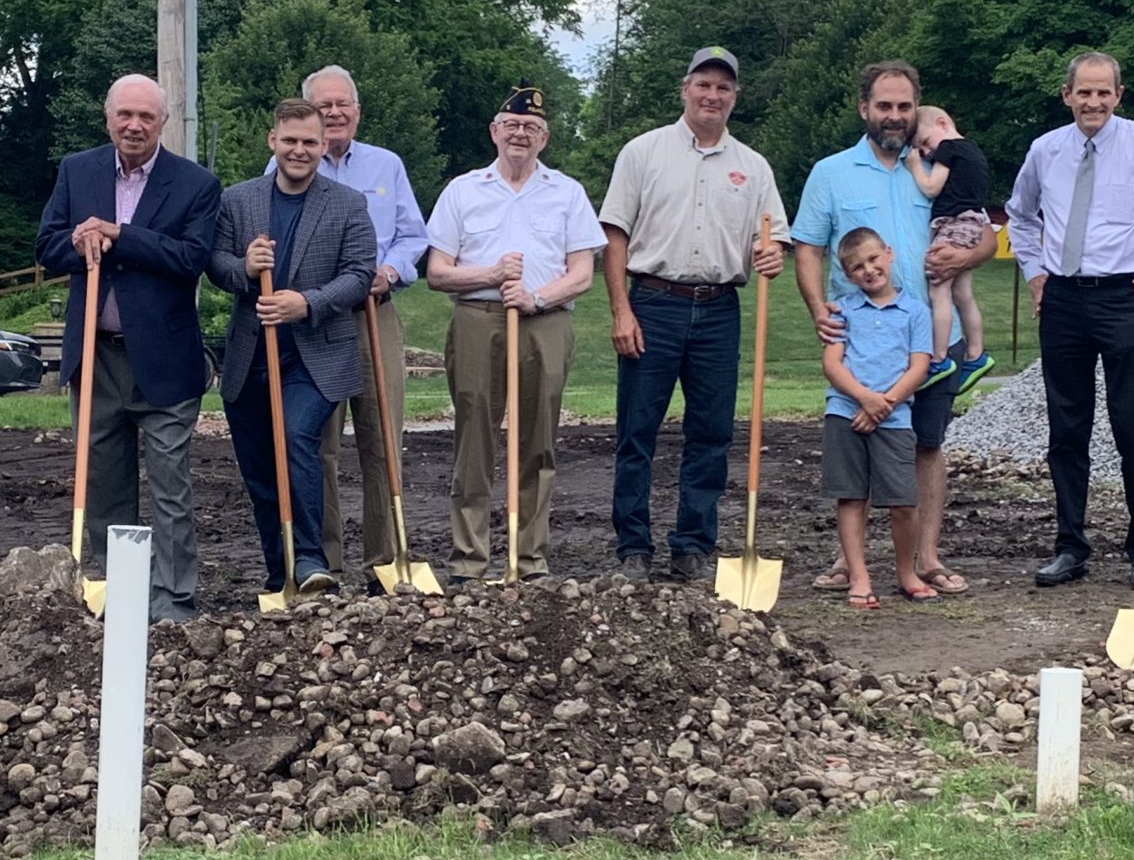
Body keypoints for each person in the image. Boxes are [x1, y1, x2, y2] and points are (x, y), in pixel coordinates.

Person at [791, 59, 998, 598]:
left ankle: (925, 558)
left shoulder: (937, 166)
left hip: (930, 337)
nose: (894, 115)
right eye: (884, 106)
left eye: (904, 107)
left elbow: (988, 239)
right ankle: (847, 560)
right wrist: (817, 308)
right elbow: (808, 247)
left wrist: (963, 257)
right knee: (857, 444)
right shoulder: (831, 173)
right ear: (864, 108)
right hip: (859, 343)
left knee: (926, 444)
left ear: (916, 111)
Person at [1004, 51, 1134, 588]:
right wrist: (1035, 272)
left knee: (1133, 423)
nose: (1093, 102)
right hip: (1063, 298)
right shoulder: (1046, 151)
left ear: (1119, 94)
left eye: (1103, 92)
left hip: (1125, 297)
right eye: (1083, 93)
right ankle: (1070, 545)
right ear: (1066, 95)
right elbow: (1020, 213)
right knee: (1067, 427)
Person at [597, 45, 787, 584]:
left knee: (711, 433)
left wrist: (770, 253)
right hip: (652, 304)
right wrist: (620, 310)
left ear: (735, 97)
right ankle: (634, 548)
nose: (713, 95)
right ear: (685, 89)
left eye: (723, 88)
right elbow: (614, 236)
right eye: (704, 84)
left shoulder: (752, 167)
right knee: (637, 432)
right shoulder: (643, 152)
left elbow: (770, 239)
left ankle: (691, 546)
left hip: (719, 310)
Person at [36, 74, 221, 624]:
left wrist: (120, 234)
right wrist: (76, 241)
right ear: (108, 118)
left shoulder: (195, 184)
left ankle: (173, 597)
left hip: (165, 361)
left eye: (146, 116)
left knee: (169, 486)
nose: (134, 125)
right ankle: (122, 589)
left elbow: (192, 258)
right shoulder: (78, 170)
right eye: (125, 115)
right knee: (106, 485)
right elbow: (46, 246)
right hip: (96, 358)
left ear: (163, 122)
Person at [423, 85, 606, 581]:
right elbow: (438, 271)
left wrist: (536, 296)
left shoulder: (566, 192)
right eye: (512, 125)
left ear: (543, 138)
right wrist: (492, 275)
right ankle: (470, 559)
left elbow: (583, 273)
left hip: (545, 322)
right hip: (477, 321)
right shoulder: (463, 190)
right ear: (494, 132)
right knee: (474, 438)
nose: (520, 134)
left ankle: (528, 558)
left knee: (538, 442)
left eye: (531, 128)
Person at [212, 99, 380, 598]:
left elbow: (359, 274)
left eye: (310, 142)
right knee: (260, 469)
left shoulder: (348, 203)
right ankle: (277, 572)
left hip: (317, 356)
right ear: (273, 141)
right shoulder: (238, 200)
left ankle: (310, 558)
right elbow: (213, 262)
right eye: (291, 141)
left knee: (295, 437)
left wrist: (306, 303)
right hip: (250, 357)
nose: (300, 150)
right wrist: (243, 267)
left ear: (323, 144)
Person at [294, 65, 430, 587]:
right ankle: (323, 564)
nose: (333, 113)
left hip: (375, 312)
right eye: (323, 105)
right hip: (317, 320)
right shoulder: (290, 161)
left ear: (357, 110)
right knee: (318, 441)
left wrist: (391, 270)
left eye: (342, 104)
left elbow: (412, 236)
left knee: (382, 438)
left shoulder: (385, 165)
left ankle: (386, 563)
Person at [819, 227, 938, 608]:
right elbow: (832, 364)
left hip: (895, 416)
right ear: (847, 274)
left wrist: (884, 404)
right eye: (857, 267)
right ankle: (859, 575)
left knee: (904, 501)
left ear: (888, 254)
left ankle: (907, 571)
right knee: (852, 496)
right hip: (845, 413)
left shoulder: (916, 312)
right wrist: (864, 399)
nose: (868, 270)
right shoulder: (842, 311)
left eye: (873, 260)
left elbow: (919, 366)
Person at [902, 106, 995, 394]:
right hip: (973, 222)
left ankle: (939, 358)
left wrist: (915, 165)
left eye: (926, 143)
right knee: (962, 293)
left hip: (953, 223)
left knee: (938, 291)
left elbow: (931, 188)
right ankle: (976, 354)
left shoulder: (950, 149)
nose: (927, 152)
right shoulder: (974, 151)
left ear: (942, 123)